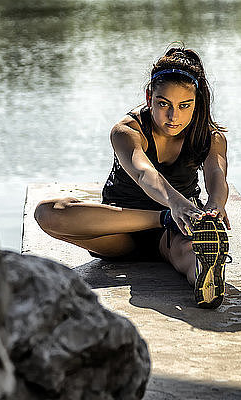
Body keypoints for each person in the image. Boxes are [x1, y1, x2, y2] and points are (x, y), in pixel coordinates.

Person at [34, 46, 231, 308]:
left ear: (197, 103)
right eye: (164, 104)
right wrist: (173, 206)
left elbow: (217, 174)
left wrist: (215, 206)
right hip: (121, 229)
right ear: (149, 96)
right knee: (48, 213)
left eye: (185, 106)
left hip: (174, 231)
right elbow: (142, 172)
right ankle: (169, 226)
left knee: (190, 255)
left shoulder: (209, 136)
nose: (174, 116)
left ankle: (206, 278)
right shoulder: (127, 131)